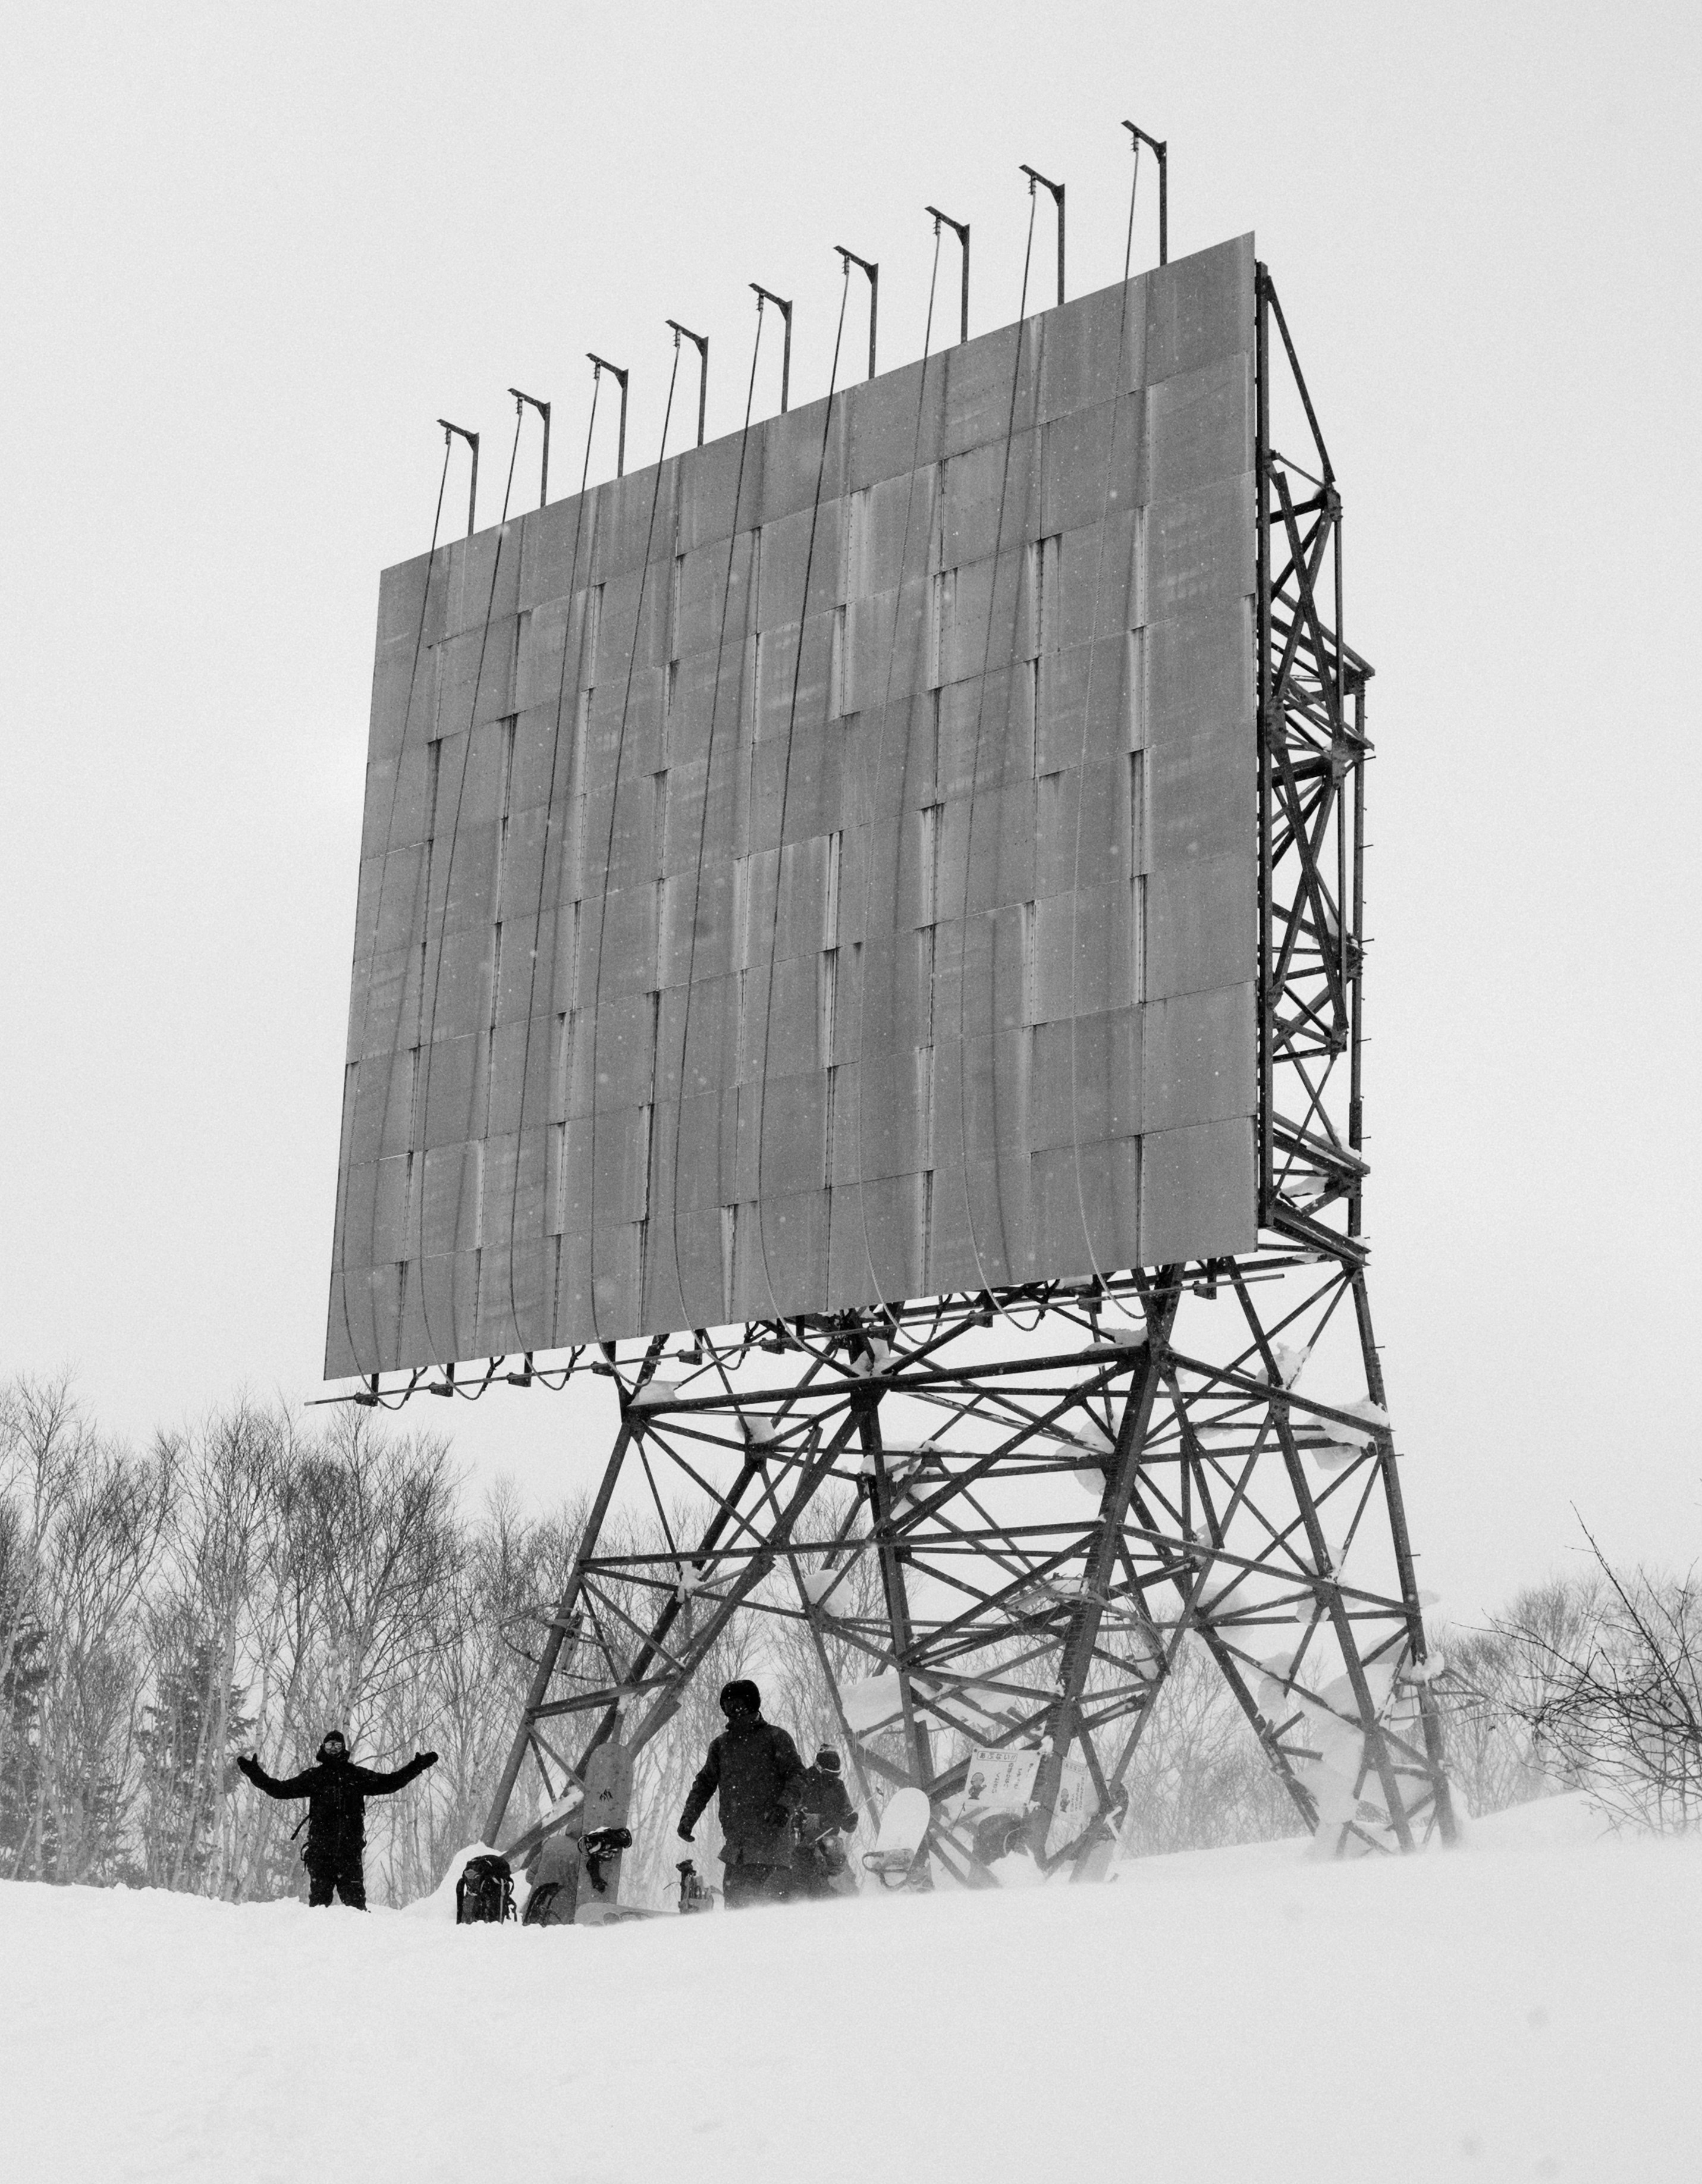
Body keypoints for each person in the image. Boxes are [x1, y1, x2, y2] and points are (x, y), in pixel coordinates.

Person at [236, 1730, 437, 1909]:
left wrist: (417, 1766)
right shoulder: (315, 1777)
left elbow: (390, 1783)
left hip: (350, 1853)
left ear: (343, 1748)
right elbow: (280, 1790)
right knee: (319, 1910)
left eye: (337, 1745)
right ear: (323, 1748)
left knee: (356, 1910)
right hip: (321, 1853)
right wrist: (255, 1773)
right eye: (330, 1745)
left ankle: (359, 1940)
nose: (333, 1749)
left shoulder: (356, 1775)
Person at [676, 1679, 802, 1907]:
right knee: (736, 1911)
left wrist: (784, 1806)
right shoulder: (721, 1746)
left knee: (764, 1911)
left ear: (752, 1704)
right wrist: (688, 1818)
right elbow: (704, 1784)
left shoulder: (775, 1738)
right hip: (737, 1850)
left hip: (771, 1845)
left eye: (738, 1704)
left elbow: (798, 1776)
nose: (733, 1710)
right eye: (727, 1706)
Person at [792, 1744, 858, 1899]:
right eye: (829, 1775)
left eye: (835, 1775)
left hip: (831, 1846)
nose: (832, 1780)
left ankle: (851, 1906)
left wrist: (851, 1821)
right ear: (819, 1767)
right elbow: (796, 1817)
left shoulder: (838, 1786)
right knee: (811, 1888)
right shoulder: (803, 1782)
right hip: (803, 1846)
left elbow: (847, 1817)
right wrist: (824, 1819)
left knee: (847, 1887)